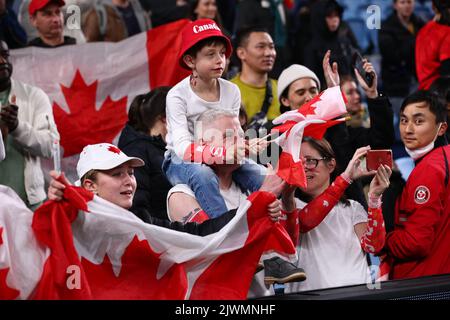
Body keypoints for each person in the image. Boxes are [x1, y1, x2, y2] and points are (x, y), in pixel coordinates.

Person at [166, 109, 307, 295]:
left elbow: (289, 244)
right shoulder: (181, 195)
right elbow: (213, 252)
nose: (239, 143)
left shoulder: (251, 187)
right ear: (203, 145)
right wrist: (261, 199)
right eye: (228, 136)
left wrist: (287, 199)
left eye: (241, 135)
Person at [163, 18, 267, 219]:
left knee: (261, 174)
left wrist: (245, 146)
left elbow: (233, 133)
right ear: (190, 60)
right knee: (203, 175)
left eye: (222, 53)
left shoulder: (232, 91)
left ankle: (271, 228)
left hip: (224, 152)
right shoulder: (177, 95)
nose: (220, 60)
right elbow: (183, 149)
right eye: (210, 55)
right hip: (179, 159)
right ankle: (223, 229)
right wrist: (225, 153)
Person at [283, 137, 392, 292]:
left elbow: (374, 246)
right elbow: (305, 222)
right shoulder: (289, 206)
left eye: (310, 161)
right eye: (298, 163)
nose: (304, 168)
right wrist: (346, 178)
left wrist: (374, 199)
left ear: (331, 165)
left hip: (355, 297)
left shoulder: (352, 208)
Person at [383, 90, 450, 279]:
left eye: (419, 121)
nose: (408, 129)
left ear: (441, 128)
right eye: (404, 120)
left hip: (422, 280)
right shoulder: (442, 158)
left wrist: (384, 239)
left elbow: (416, 243)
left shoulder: (429, 169)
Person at [0, 40, 59, 210]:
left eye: (5, 55)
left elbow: (50, 146)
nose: (2, 62)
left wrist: (17, 127)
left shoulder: (34, 96)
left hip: (30, 204)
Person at [118, 87, 173, 222]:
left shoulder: (166, 149)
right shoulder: (136, 151)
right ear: (165, 118)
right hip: (161, 237)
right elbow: (137, 210)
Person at [231, 26, 280, 132]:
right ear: (241, 53)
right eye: (260, 47)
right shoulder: (228, 91)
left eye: (271, 47)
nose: (268, 53)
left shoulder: (283, 89)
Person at [303, 0, 359, 87]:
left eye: (336, 16)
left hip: (349, 91)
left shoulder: (344, 42)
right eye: (329, 16)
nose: (335, 20)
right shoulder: (311, 48)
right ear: (320, 19)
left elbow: (354, 68)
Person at [379, 0, 424, 99]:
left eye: (409, 2)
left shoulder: (419, 23)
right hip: (396, 83)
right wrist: (414, 41)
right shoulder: (386, 27)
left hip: (417, 77)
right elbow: (391, 56)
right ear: (395, 5)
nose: (406, 6)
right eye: (402, 2)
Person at [415, 0, 450, 90]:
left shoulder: (423, 29)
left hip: (424, 90)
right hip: (440, 92)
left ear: (433, 7)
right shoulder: (446, 32)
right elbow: (447, 70)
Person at [82, 0, 151, 43]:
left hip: (141, 62)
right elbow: (90, 48)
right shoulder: (98, 14)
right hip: (116, 64)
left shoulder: (138, 6)